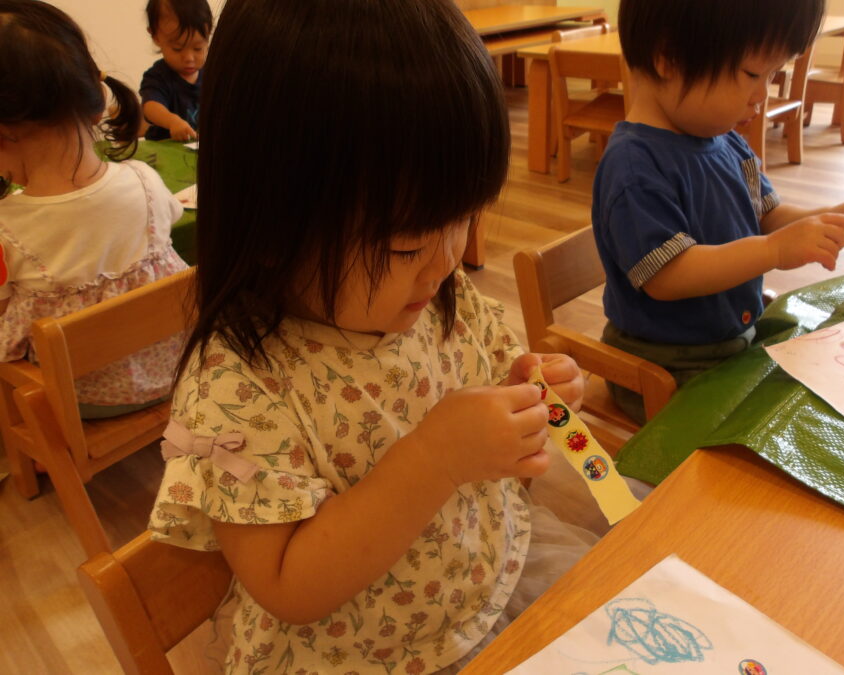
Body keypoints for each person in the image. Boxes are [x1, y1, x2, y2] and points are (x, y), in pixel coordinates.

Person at [149, 1, 602, 673]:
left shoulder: (438, 296)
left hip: (486, 580)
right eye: (405, 246)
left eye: (464, 219)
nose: (446, 260)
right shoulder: (238, 385)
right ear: (272, 225)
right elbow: (287, 586)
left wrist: (532, 390)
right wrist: (435, 458)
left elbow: (493, 375)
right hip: (362, 655)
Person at [592, 0, 844, 423]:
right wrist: (774, 251)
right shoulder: (634, 168)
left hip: (732, 342)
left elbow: (768, 217)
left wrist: (833, 220)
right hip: (667, 366)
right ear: (670, 59)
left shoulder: (726, 142)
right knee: (768, 431)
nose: (763, 95)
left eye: (774, 74)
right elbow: (668, 276)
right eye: (753, 74)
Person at [0, 0, 189, 418]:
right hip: (174, 371)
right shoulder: (145, 181)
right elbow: (171, 224)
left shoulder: (7, 228)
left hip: (82, 399)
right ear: (97, 102)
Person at [140, 0, 212, 141]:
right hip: (165, 146)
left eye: (198, 48)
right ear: (155, 36)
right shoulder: (158, 76)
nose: (189, 58)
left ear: (208, 33)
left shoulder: (212, 74)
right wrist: (172, 121)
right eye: (177, 49)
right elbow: (150, 107)